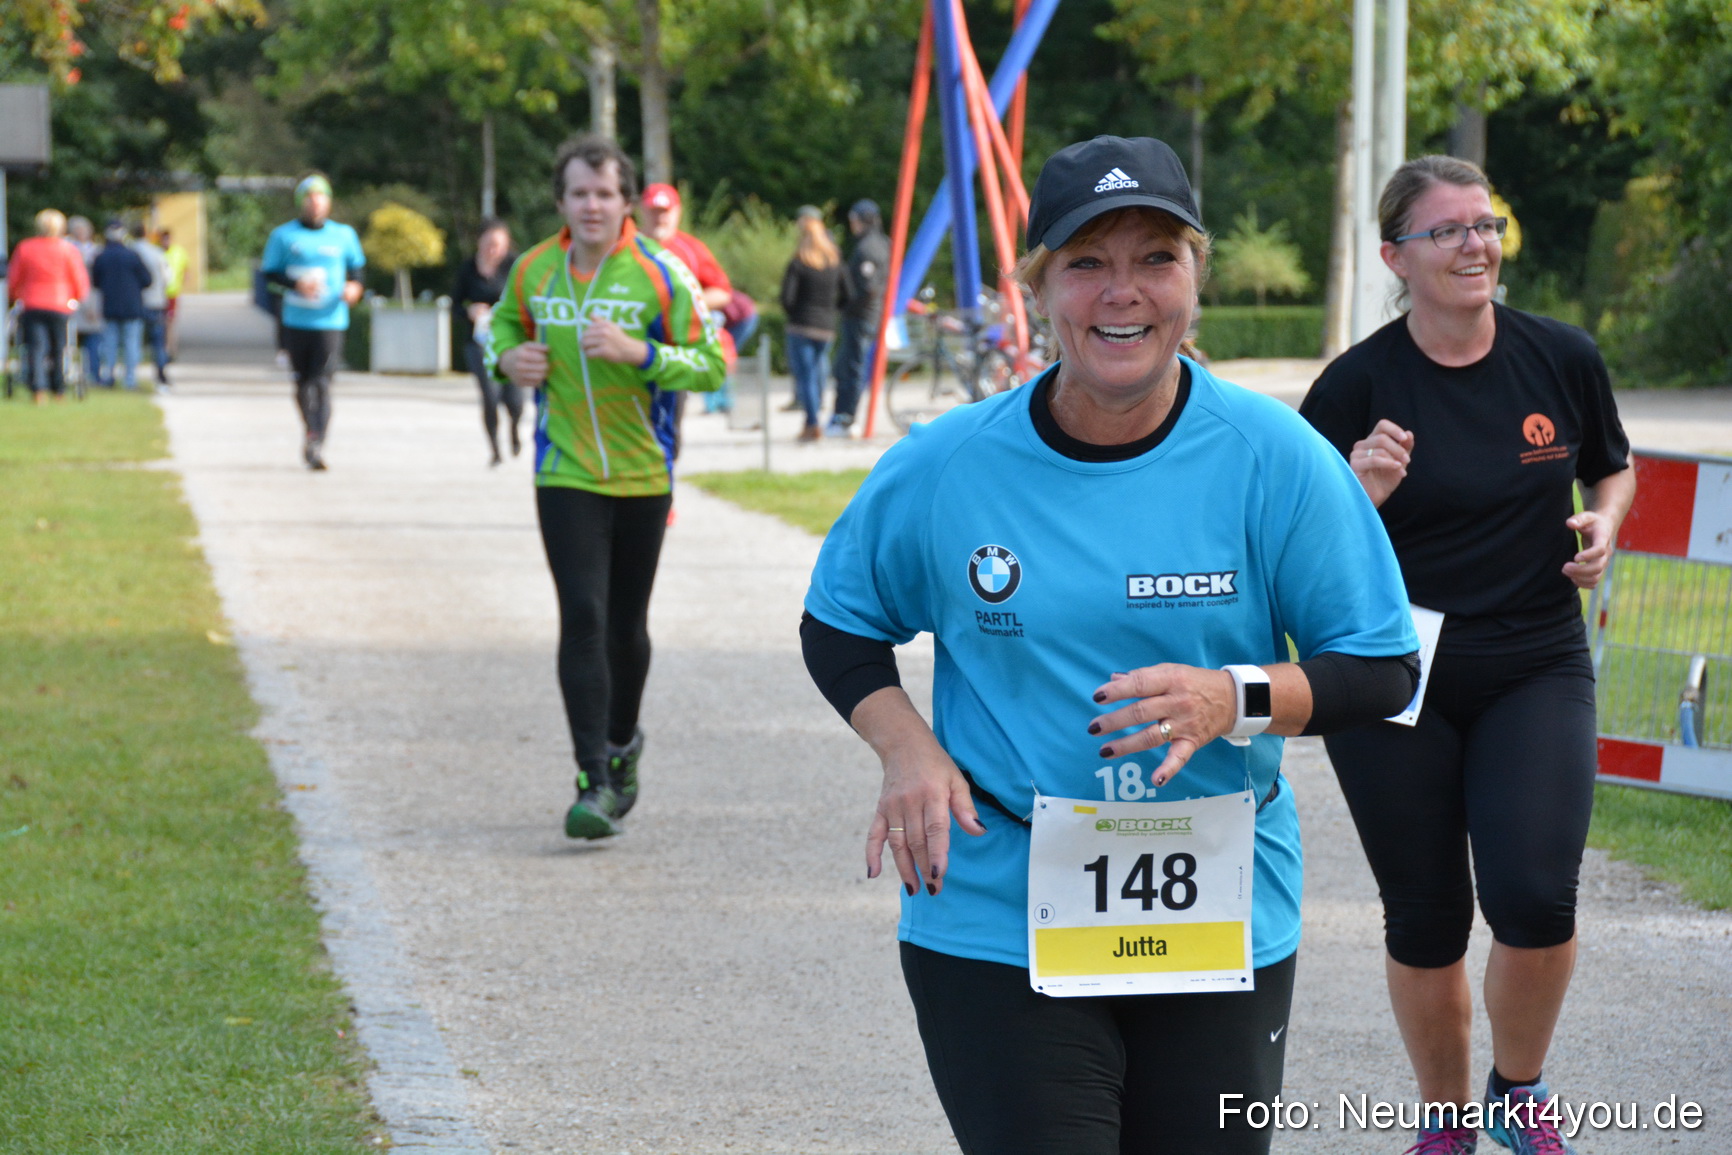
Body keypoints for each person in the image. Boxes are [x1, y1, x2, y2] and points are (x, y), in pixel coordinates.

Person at [802, 135, 1419, 1154]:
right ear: (1038, 288)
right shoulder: (948, 465)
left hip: (1220, 909)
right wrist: (905, 748)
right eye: (1086, 262)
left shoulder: (1274, 458)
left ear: (1194, 279)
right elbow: (839, 623)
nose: (1120, 293)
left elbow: (1380, 664)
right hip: (998, 910)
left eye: (1154, 259)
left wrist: (1237, 698)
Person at [1299, 155, 1637, 1155]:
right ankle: (1444, 1122)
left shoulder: (1559, 357)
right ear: (1393, 257)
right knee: (1426, 913)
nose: (1473, 245)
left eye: (1484, 224)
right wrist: (1357, 495)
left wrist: (1603, 528)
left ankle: (1516, 1091)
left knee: (1535, 895)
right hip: (1388, 673)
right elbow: (1295, 549)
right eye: (1445, 231)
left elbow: (1611, 468)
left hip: (1534, 659)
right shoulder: (1355, 384)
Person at [490, 135, 726, 840]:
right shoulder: (534, 270)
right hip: (563, 470)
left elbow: (711, 364)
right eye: (578, 193)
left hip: (643, 473)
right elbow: (498, 327)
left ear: (625, 202)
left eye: (604, 193)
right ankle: (592, 777)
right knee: (582, 616)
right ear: (561, 201)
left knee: (626, 626)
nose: (591, 205)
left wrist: (641, 353)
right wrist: (508, 355)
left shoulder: (659, 273)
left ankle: (623, 745)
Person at [260, 173, 366, 470]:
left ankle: (316, 442)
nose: (316, 205)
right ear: (301, 204)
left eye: (321, 199)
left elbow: (357, 272)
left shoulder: (343, 235)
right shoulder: (283, 236)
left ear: (329, 203)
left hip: (331, 321)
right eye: (310, 200)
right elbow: (269, 277)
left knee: (322, 383)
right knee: (302, 384)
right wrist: (296, 285)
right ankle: (311, 430)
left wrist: (354, 288)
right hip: (296, 321)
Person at [638, 182, 736, 443]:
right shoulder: (626, 247)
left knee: (670, 423)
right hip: (631, 347)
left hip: (674, 351)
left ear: (677, 212)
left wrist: (685, 302)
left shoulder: (691, 249)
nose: (660, 217)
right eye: (653, 211)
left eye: (665, 211)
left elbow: (722, 291)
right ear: (640, 211)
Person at [780, 206, 853, 441]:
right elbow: (849, 295)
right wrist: (833, 311)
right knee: (819, 370)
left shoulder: (799, 263)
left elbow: (787, 298)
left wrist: (795, 314)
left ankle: (812, 422)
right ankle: (818, 412)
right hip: (826, 326)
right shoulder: (835, 263)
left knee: (806, 376)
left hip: (802, 325)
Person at [452, 218, 521, 465]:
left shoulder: (515, 265)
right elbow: (455, 306)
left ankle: (514, 428)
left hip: (510, 339)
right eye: (489, 244)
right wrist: (470, 312)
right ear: (479, 242)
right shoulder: (468, 269)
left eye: (498, 245)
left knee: (514, 399)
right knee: (489, 397)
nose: (494, 250)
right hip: (478, 342)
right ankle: (494, 449)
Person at [7, 209, 90, 405]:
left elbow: (14, 279)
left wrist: (16, 296)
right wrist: (77, 297)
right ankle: (59, 389)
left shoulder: (25, 248)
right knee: (60, 347)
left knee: (36, 347)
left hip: (33, 303)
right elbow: (79, 280)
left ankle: (38, 390)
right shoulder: (68, 249)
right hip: (60, 304)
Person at [826, 198, 889, 437]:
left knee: (851, 367)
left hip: (861, 316)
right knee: (849, 365)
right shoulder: (883, 243)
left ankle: (845, 418)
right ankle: (843, 417)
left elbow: (868, 288)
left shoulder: (867, 248)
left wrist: (845, 303)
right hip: (871, 314)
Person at [90, 219, 153, 391]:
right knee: (131, 344)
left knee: (109, 344)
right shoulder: (132, 256)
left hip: (110, 306)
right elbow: (147, 280)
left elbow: (95, 282)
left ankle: (109, 376)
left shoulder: (101, 257)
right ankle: (130, 380)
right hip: (132, 307)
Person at [130, 222, 172, 391]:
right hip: (155, 301)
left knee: (133, 340)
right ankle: (160, 373)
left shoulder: (130, 252)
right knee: (157, 341)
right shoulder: (157, 253)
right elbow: (167, 277)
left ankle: (132, 376)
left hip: (135, 301)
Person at [66, 216, 107, 388]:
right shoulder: (66, 249)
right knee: (68, 342)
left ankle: (93, 375)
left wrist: (90, 305)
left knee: (93, 341)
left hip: (91, 301)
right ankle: (68, 373)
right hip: (71, 302)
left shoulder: (97, 252)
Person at [160, 228, 189, 360]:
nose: (166, 242)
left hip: (172, 293)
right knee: (163, 323)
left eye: (167, 239)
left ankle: (171, 349)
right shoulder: (158, 253)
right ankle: (166, 348)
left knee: (171, 322)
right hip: (159, 294)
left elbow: (186, 269)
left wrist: (182, 283)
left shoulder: (178, 252)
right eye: (163, 239)